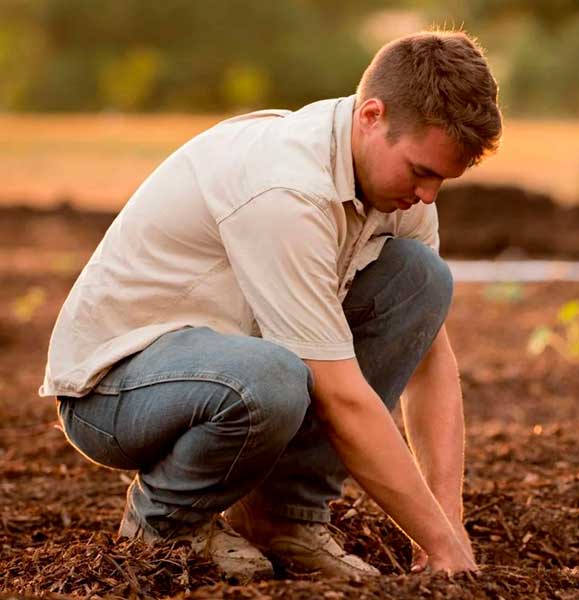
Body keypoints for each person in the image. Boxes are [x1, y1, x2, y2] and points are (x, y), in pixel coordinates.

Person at [39, 30, 501, 582]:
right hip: (114, 389)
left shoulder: (398, 193)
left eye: (442, 180)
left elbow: (427, 358)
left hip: (231, 363)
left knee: (421, 280)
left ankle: (283, 517)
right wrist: (433, 538)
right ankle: (167, 524)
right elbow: (341, 398)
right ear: (371, 116)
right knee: (273, 378)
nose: (428, 195)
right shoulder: (286, 189)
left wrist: (448, 526)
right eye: (421, 171)